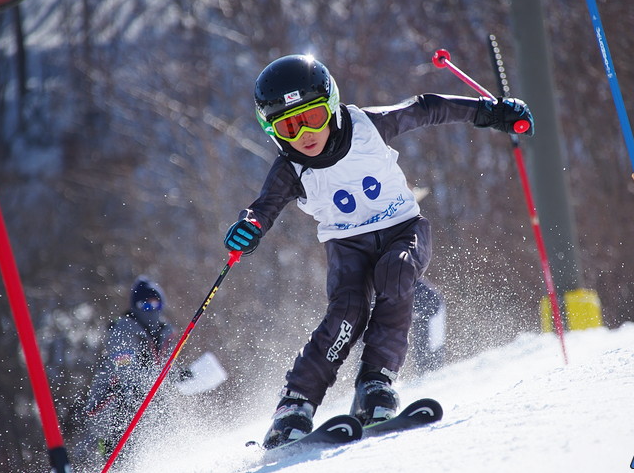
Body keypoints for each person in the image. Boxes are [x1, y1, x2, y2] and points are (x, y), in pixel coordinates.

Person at [223, 54, 533, 449]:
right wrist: (248, 229)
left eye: (313, 117)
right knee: (347, 313)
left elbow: (426, 109)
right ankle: (295, 405)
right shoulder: (290, 169)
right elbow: (262, 209)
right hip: (346, 246)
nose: (304, 134)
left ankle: (376, 383)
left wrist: (489, 112)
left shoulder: (368, 125)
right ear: (273, 130)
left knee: (397, 273)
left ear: (332, 106)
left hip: (403, 229)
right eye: (288, 125)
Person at [84, 276, 176, 457]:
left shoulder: (162, 333)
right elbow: (127, 372)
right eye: (145, 306)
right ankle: (119, 455)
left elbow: (163, 372)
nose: (151, 310)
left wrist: (181, 376)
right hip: (111, 408)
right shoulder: (122, 332)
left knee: (165, 405)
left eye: (155, 305)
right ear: (136, 307)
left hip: (144, 406)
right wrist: (167, 378)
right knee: (134, 394)